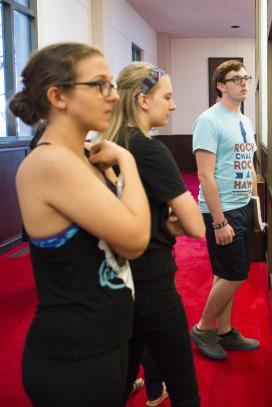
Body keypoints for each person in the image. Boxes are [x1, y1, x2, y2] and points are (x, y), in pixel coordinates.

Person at [10, 42, 150, 406]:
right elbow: (134, 239)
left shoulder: (85, 157)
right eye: (100, 84)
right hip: (75, 356)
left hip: (106, 340)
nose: (114, 97)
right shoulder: (50, 163)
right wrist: (128, 163)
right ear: (58, 96)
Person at [101, 62, 204, 406]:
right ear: (143, 100)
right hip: (152, 283)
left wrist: (159, 219)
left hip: (114, 282)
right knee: (184, 386)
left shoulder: (107, 145)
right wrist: (169, 221)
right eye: (168, 97)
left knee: (122, 377)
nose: (173, 105)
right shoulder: (149, 150)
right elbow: (195, 226)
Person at [190, 60, 260, 360]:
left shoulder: (245, 120)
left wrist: (256, 207)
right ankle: (204, 328)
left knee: (226, 272)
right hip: (222, 210)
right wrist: (219, 222)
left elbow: (250, 165)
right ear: (220, 85)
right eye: (236, 79)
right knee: (235, 274)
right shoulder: (209, 121)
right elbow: (205, 175)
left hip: (243, 205)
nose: (243, 83)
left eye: (246, 78)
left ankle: (225, 332)